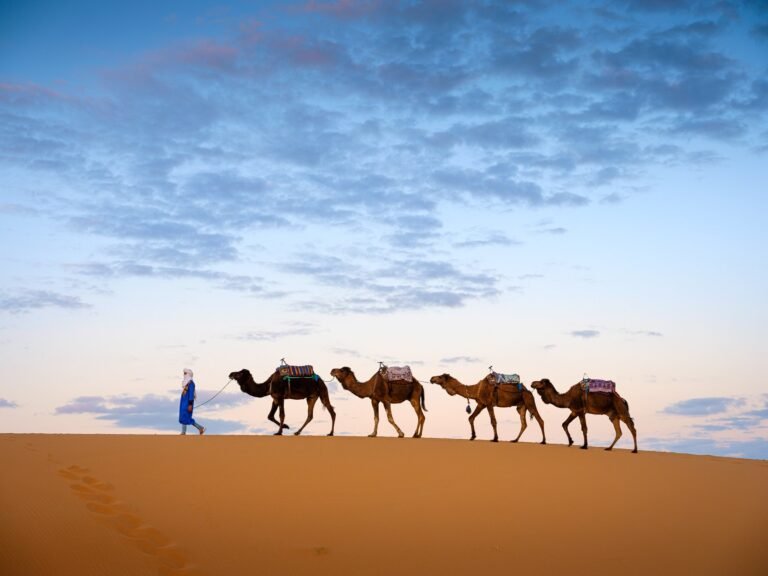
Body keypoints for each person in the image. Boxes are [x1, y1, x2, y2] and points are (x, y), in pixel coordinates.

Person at [179, 368, 205, 435]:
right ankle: (200, 428)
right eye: (184, 373)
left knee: (186, 417)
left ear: (188, 374)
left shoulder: (191, 384)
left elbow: (191, 394)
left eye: (185, 373)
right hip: (183, 403)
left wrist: (190, 404)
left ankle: (184, 432)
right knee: (183, 417)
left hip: (187, 403)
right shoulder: (186, 384)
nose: (184, 375)